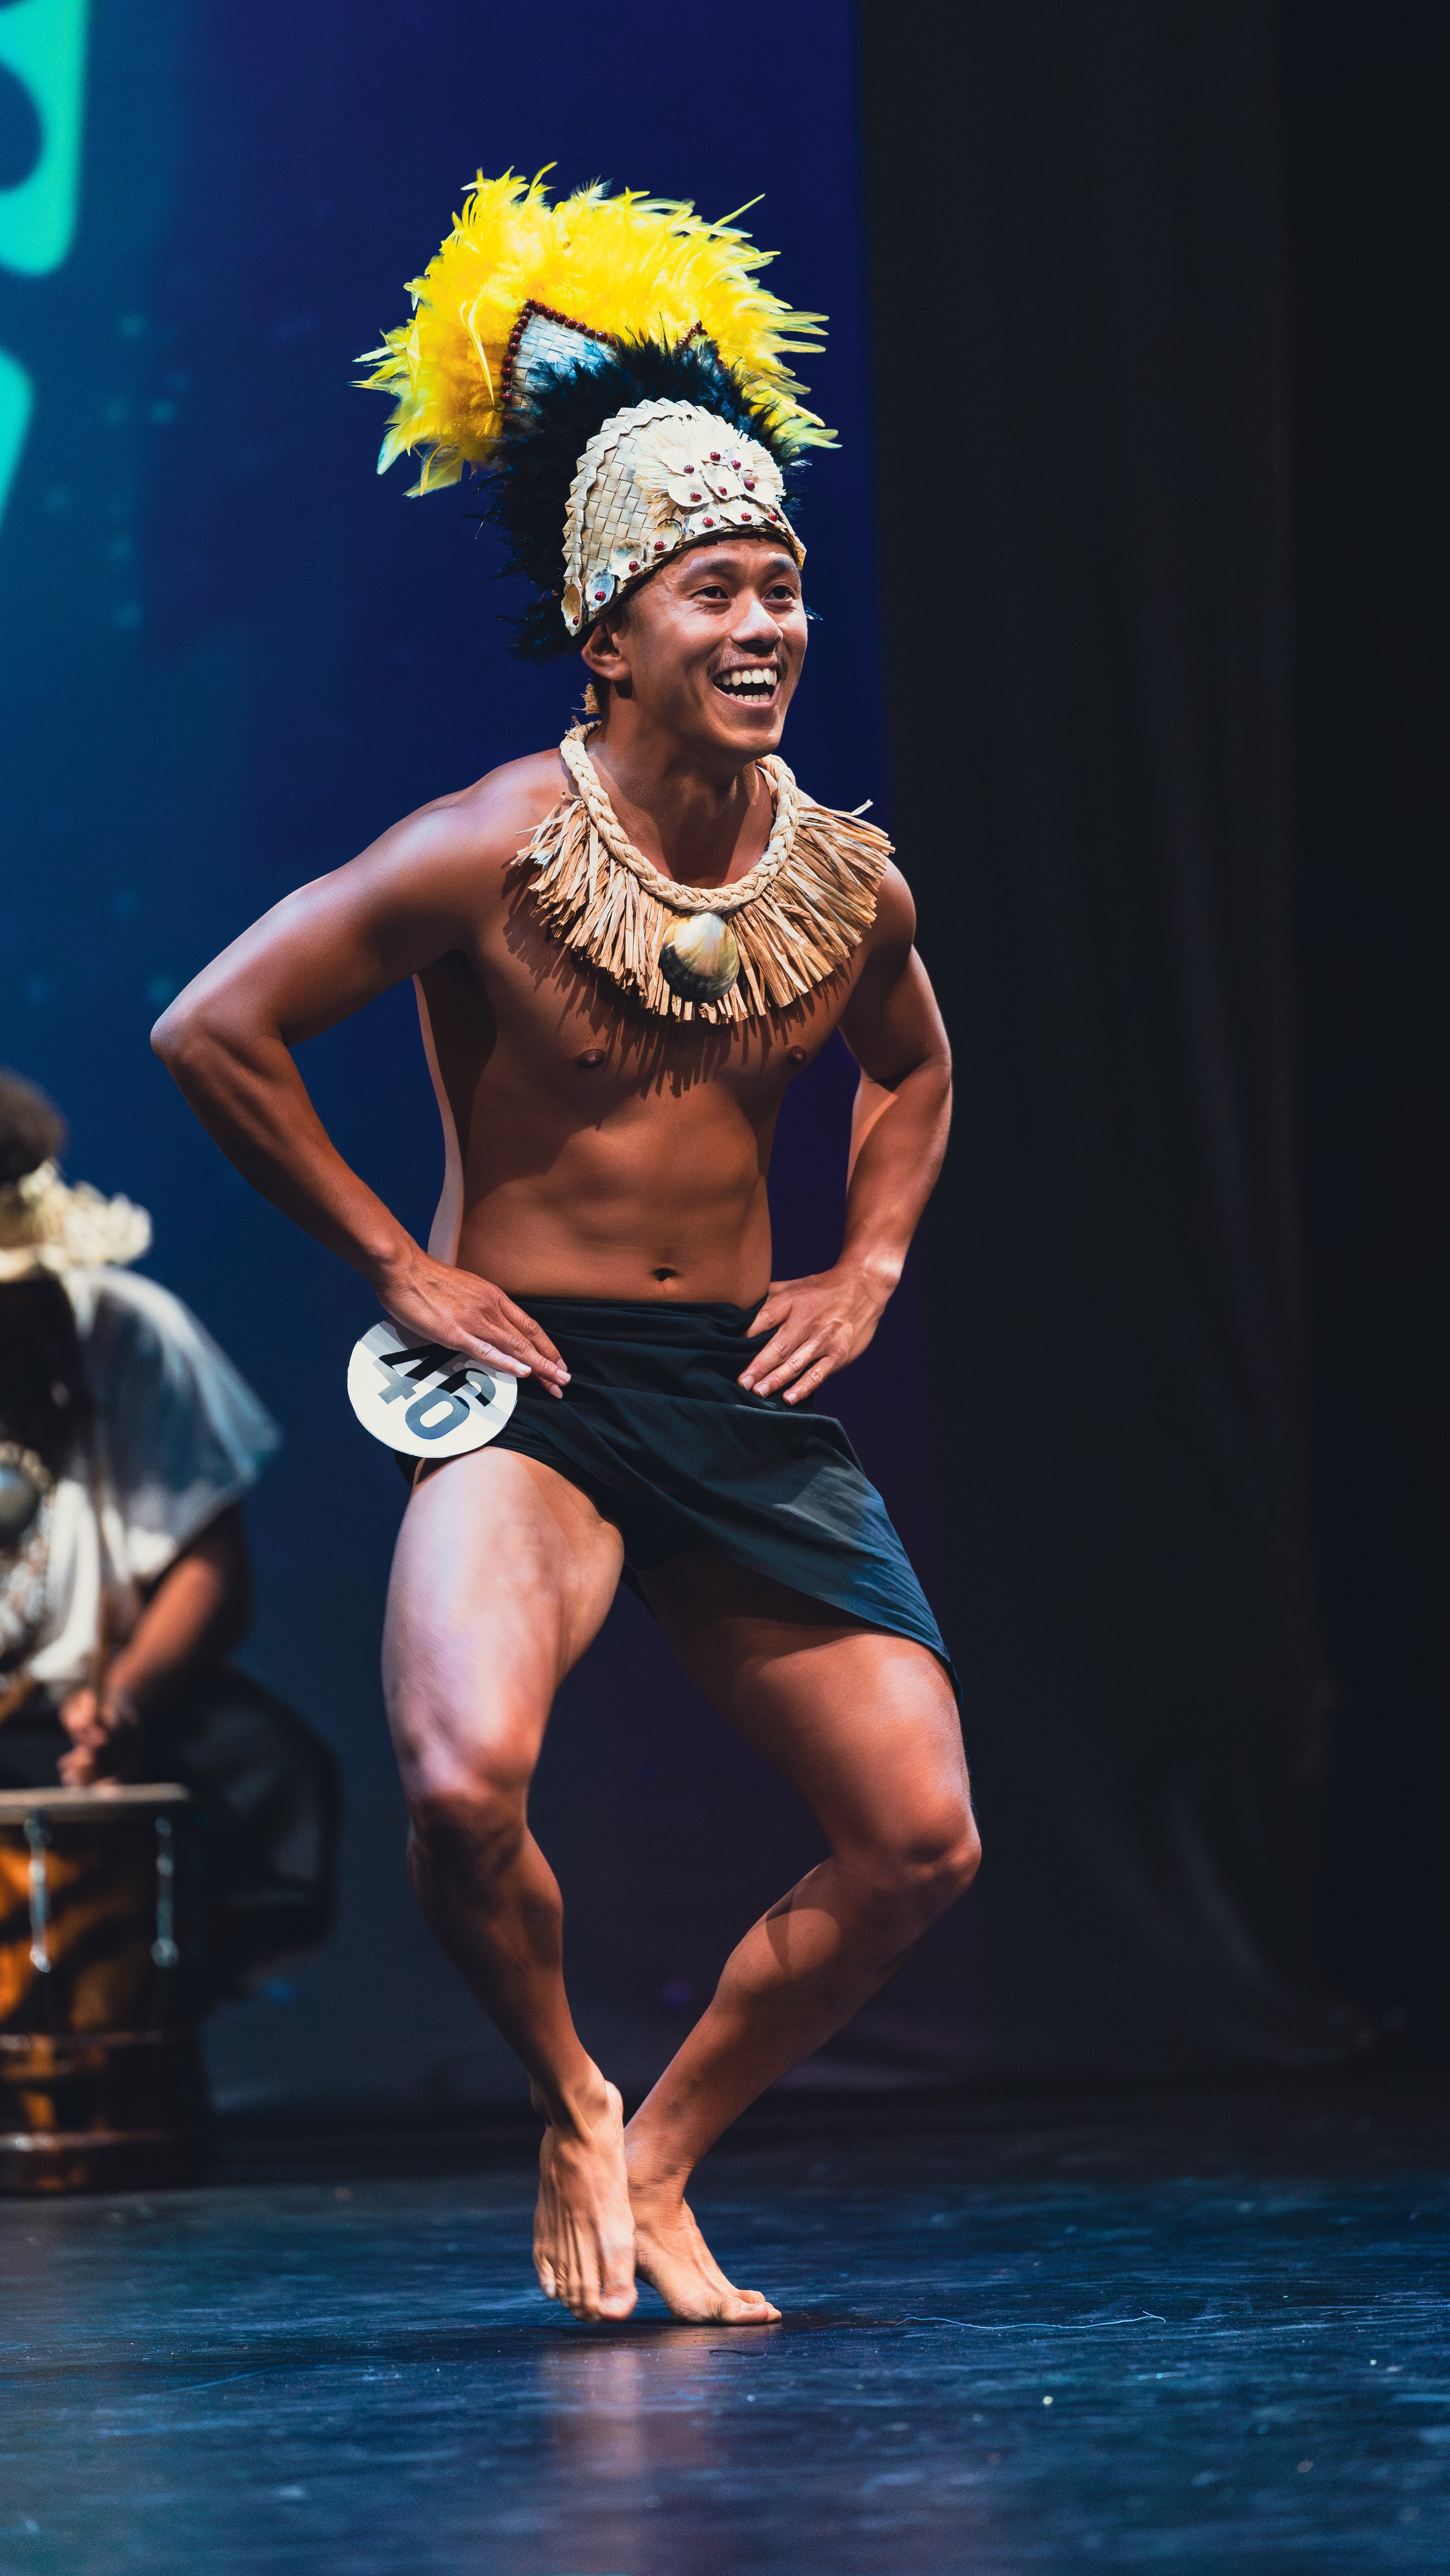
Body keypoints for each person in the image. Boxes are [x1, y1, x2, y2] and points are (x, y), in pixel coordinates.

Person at [153, 172, 978, 2319]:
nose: (770, 626)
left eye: (786, 586)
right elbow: (216, 1031)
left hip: (736, 1389)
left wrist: (866, 1268)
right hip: (531, 1386)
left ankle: (673, 2146)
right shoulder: (489, 853)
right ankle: (569, 2098)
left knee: (919, 1839)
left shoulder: (846, 884)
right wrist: (396, 1265)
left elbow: (914, 1072)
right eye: (720, 590)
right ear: (612, 632)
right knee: (459, 1780)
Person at [0, 1071, 338, 1997]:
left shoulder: (131, 1332)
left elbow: (211, 1570)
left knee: (266, 1765)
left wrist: (127, 1701)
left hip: (82, 1705)